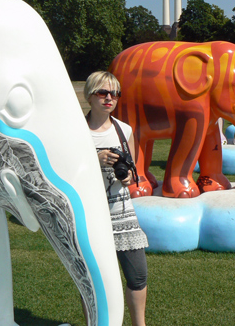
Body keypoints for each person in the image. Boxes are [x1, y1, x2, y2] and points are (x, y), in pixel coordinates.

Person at [84, 71, 148, 326]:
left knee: (137, 275)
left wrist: (126, 178)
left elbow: (133, 173)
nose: (109, 98)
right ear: (90, 96)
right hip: (90, 213)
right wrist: (94, 159)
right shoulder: (76, 130)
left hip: (122, 210)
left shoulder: (124, 130)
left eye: (114, 94)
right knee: (92, 279)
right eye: (103, 92)